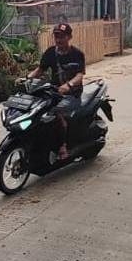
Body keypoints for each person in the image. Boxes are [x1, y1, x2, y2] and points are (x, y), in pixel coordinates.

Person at [28, 23, 86, 160]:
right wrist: (27, 78)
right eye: (56, 36)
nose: (58, 40)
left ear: (69, 37)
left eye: (62, 37)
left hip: (72, 94)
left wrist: (69, 85)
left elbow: (80, 75)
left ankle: (62, 146)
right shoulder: (50, 52)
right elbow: (40, 70)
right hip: (53, 93)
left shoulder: (77, 54)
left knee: (55, 113)